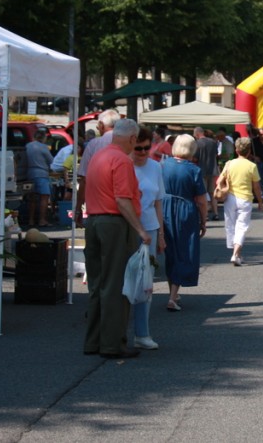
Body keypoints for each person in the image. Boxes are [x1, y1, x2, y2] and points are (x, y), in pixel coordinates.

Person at [82, 118, 151, 360]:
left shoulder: (99, 156)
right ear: (132, 139)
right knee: (116, 285)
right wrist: (141, 230)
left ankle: (94, 341)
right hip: (113, 224)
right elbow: (122, 200)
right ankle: (112, 344)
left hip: (93, 221)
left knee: (98, 285)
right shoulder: (121, 160)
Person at [160, 134, 208, 311]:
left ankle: (172, 290)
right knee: (184, 250)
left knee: (170, 251)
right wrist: (204, 220)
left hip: (165, 207)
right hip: (185, 209)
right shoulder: (193, 169)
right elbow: (202, 200)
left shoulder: (163, 165)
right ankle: (173, 296)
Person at [130, 127, 166, 350]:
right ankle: (119, 330)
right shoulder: (124, 163)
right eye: (138, 148)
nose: (143, 152)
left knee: (145, 283)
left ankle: (142, 332)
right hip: (128, 228)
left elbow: (159, 202)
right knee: (125, 280)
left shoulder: (155, 167)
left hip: (150, 229)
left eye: (146, 148)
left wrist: (162, 234)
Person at [219, 137, 263, 265]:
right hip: (245, 198)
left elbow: (219, 181)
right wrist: (260, 201)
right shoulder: (252, 166)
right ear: (249, 151)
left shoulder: (229, 164)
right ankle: (236, 254)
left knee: (230, 226)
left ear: (236, 150)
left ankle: (236, 253)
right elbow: (256, 186)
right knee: (242, 227)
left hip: (230, 198)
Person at [77, 109, 120, 217]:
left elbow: (84, 179)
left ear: (101, 125)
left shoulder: (93, 144)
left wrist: (78, 208)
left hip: (97, 209)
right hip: (124, 209)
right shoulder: (128, 143)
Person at [25, 129, 54, 227]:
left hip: (30, 173)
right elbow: (51, 161)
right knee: (44, 197)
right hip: (42, 174)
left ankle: (31, 220)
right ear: (43, 137)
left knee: (32, 198)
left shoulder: (28, 146)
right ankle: (42, 220)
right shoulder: (44, 147)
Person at [194, 127, 220, 219]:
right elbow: (216, 154)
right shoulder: (213, 142)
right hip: (213, 170)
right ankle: (216, 213)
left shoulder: (197, 144)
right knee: (212, 194)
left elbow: (195, 158)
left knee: (203, 194)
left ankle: (205, 215)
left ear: (197, 134)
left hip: (202, 171)